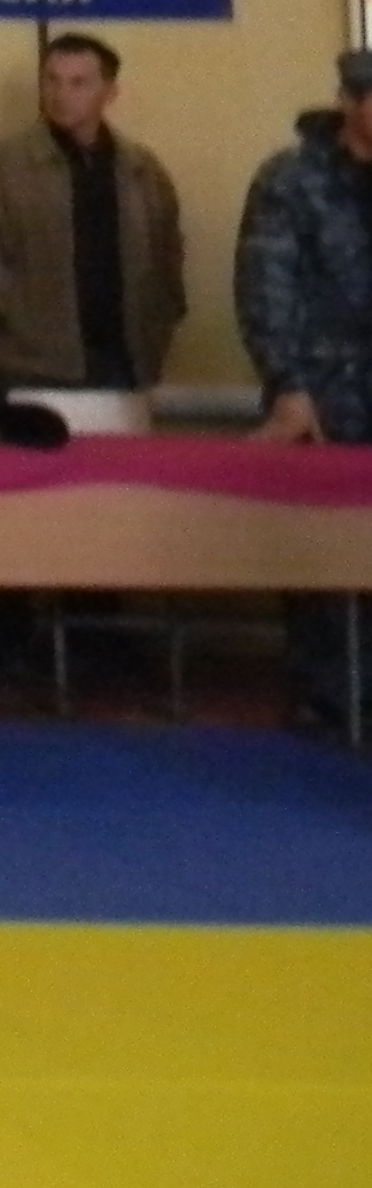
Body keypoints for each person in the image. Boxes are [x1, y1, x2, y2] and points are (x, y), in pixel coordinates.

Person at [233, 50, 372, 732]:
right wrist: (287, 384)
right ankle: (334, 701)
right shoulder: (292, 178)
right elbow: (265, 286)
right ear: (349, 102)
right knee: (323, 559)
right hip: (323, 392)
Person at [0, 32, 188, 393]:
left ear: (109, 92)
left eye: (78, 83)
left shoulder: (142, 170)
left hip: (125, 363)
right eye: (51, 80)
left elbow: (167, 256)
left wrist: (161, 318)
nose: (61, 94)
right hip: (25, 364)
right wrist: (13, 310)